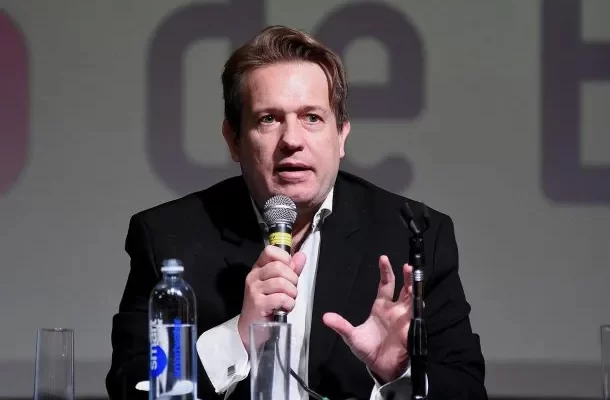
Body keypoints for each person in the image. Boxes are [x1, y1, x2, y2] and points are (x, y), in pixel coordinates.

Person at [106, 25, 487, 400]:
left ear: (341, 135)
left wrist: (399, 375)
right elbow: (130, 387)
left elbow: (467, 389)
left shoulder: (414, 236)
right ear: (233, 140)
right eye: (268, 119)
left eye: (312, 118)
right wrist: (236, 337)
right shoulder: (167, 237)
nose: (291, 140)